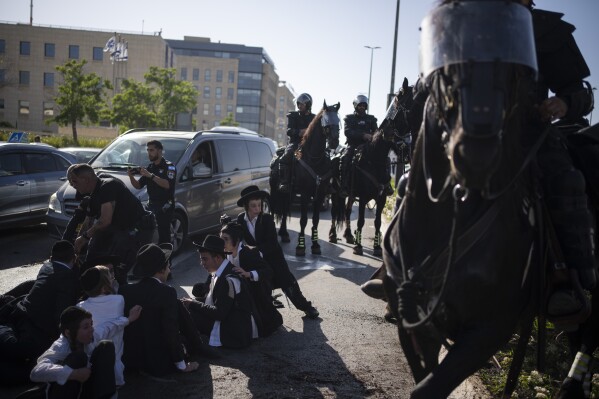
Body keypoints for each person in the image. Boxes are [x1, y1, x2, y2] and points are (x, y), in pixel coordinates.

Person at [0, 240, 80, 385]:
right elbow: (61, 314)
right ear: (74, 258)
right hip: (34, 331)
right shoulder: (68, 279)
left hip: (20, 315)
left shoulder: (46, 267)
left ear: (51, 257)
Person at [234, 185, 319, 319]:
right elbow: (236, 234)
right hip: (257, 259)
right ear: (246, 206)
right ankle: (266, 312)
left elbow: (272, 243)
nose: (257, 209)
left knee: (288, 284)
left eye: (259, 205)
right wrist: (227, 224)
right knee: (260, 284)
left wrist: (256, 250)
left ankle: (307, 307)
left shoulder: (266, 219)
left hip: (274, 257)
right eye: (253, 206)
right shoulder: (240, 219)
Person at [119, 243, 200, 377]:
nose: (169, 269)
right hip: (158, 362)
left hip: (133, 360)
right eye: (168, 266)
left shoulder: (125, 291)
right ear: (161, 270)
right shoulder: (166, 292)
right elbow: (171, 330)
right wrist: (181, 365)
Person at [67, 163, 149, 282]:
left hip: (134, 229)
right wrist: (77, 245)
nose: (72, 185)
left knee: (116, 272)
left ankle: (121, 295)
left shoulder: (108, 186)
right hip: (116, 229)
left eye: (74, 181)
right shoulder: (91, 193)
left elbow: (105, 220)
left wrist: (84, 238)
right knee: (91, 261)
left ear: (86, 180)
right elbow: (88, 222)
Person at [29, 306, 126, 399]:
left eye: (91, 324)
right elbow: (36, 372)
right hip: (65, 393)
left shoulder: (92, 336)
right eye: (86, 327)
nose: (91, 329)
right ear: (68, 333)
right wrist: (73, 373)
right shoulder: (60, 346)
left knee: (106, 345)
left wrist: (129, 319)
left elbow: (107, 327)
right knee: (79, 357)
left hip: (84, 390)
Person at [182, 235, 257, 348]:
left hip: (234, 333)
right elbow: (214, 301)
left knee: (189, 314)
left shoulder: (229, 279)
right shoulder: (222, 271)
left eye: (205, 259)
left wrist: (193, 304)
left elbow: (219, 313)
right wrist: (194, 302)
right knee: (190, 305)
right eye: (201, 259)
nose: (202, 263)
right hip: (230, 322)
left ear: (217, 258)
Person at [78, 266, 142, 386]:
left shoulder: (80, 306)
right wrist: (128, 319)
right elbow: (109, 327)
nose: (112, 280)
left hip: (90, 356)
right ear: (103, 288)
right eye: (109, 279)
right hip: (115, 355)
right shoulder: (118, 300)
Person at [220, 222, 283, 337]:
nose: (222, 242)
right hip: (236, 293)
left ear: (237, 240)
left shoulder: (249, 253)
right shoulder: (224, 254)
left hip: (255, 293)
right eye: (221, 239)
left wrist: (248, 274)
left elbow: (268, 271)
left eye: (225, 239)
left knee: (264, 326)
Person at [128, 140, 176, 245]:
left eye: (151, 150)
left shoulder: (169, 166)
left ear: (159, 151)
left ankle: (166, 260)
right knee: (148, 236)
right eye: (148, 150)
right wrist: (130, 176)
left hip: (165, 206)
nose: (149, 153)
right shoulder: (150, 167)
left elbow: (167, 184)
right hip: (152, 206)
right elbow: (138, 185)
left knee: (164, 238)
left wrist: (151, 176)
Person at [339, 95, 380, 197]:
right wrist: (363, 135)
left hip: (368, 146)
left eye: (364, 105)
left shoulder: (371, 119)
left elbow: (377, 132)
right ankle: (343, 186)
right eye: (360, 105)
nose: (362, 107)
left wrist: (373, 136)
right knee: (345, 158)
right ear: (356, 106)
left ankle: (384, 184)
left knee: (383, 159)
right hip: (353, 145)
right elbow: (347, 132)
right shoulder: (349, 118)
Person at [277, 93, 315, 193]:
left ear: (308, 104)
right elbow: (289, 131)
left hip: (310, 145)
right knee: (285, 158)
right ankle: (284, 182)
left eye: (302, 104)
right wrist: (300, 132)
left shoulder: (314, 118)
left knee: (325, 157)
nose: (299, 106)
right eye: (298, 103)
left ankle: (324, 183)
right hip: (296, 145)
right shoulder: (293, 116)